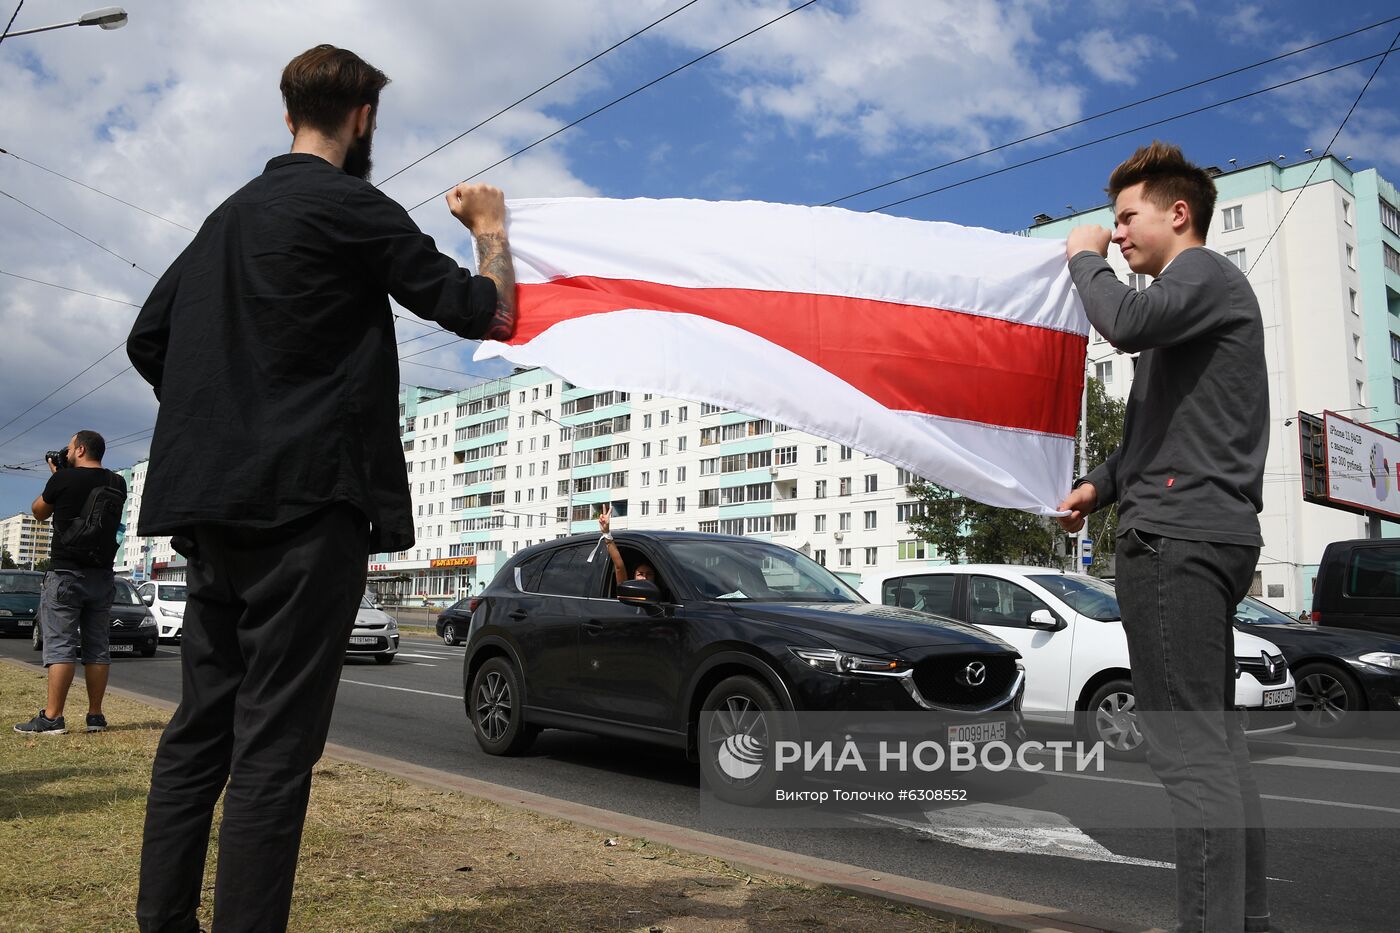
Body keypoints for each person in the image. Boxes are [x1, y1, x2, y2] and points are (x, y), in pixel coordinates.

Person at [127, 45, 517, 933]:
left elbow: (150, 339)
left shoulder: (225, 218)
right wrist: (490, 228)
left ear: (287, 113)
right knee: (273, 748)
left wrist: (230, 414)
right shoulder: (353, 207)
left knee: (199, 731)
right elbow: (480, 309)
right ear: (364, 118)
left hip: (210, 514)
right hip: (307, 511)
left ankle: (164, 923)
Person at [1057, 141, 1270, 933]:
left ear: (1179, 214)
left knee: (1187, 752)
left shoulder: (1200, 275)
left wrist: (1082, 261)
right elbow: (1151, 436)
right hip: (1200, 526)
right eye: (1108, 226)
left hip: (1177, 536)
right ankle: (1246, 921)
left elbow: (1122, 318)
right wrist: (1098, 485)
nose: (1114, 234)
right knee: (1215, 748)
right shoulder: (1193, 304)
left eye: (1125, 217)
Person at [14, 431, 127, 736]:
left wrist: (57, 476)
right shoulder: (118, 482)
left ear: (79, 449)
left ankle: (52, 718)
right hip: (102, 575)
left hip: (66, 574)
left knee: (61, 645)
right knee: (97, 647)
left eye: (68, 448)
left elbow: (39, 512)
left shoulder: (63, 479)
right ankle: (95, 716)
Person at [598, 503, 656, 585]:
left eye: (649, 574)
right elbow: (619, 567)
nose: (645, 578)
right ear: (633, 577)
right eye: (640, 574)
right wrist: (606, 534)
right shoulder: (629, 591)